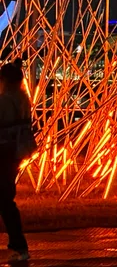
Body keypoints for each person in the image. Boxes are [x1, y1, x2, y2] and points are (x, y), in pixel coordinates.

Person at [0, 59, 31, 262]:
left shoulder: (4, 101)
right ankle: (18, 245)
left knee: (4, 201)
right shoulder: (23, 98)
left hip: (1, 153)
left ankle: (19, 246)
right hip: (14, 154)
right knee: (6, 200)